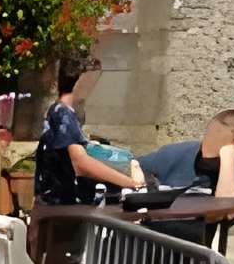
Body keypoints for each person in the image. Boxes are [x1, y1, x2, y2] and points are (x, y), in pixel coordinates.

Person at [32, 57, 150, 206]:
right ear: (79, 81)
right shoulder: (63, 115)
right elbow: (80, 163)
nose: (93, 86)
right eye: (92, 80)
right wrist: (130, 182)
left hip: (63, 203)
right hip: (64, 205)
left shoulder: (63, 112)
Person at [139, 111, 234, 199]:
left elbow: (228, 211)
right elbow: (131, 166)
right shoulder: (175, 154)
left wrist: (228, 158)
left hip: (204, 226)